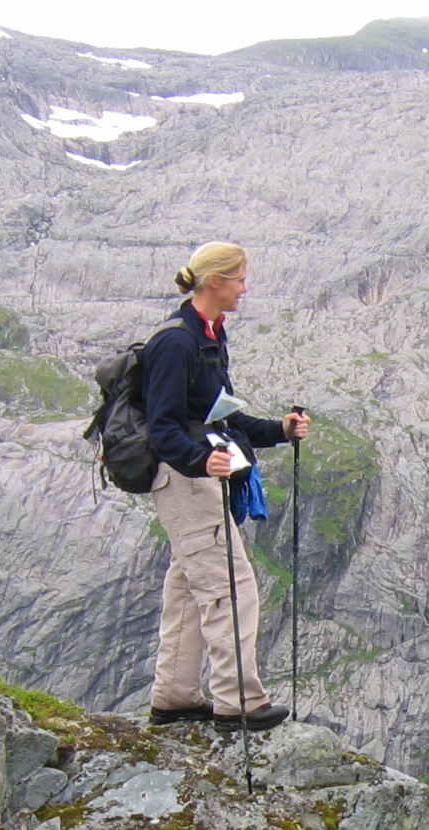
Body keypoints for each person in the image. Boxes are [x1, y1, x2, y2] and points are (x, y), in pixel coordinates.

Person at [140, 240, 311, 732]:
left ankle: (174, 696)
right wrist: (202, 461)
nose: (244, 287)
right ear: (213, 282)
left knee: (190, 588)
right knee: (229, 587)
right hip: (189, 480)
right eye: (238, 278)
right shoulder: (177, 343)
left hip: (199, 476)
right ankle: (239, 702)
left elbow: (221, 420)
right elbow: (163, 427)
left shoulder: (208, 336)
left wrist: (278, 430)